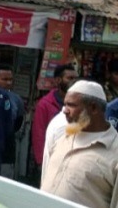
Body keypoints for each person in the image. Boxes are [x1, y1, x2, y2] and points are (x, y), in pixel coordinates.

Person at [41, 80, 118, 208]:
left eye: (71, 105)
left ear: (93, 108)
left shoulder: (114, 151)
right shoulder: (63, 138)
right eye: (64, 104)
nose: (65, 110)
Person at [32, 64, 77, 168]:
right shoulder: (45, 104)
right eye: (70, 78)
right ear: (58, 80)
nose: (73, 82)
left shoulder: (78, 104)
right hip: (50, 158)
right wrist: (41, 161)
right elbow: (38, 134)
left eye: (75, 78)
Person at [0, 64, 26, 179]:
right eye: (4, 79)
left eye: (10, 80)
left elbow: (18, 122)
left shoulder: (16, 99)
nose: (8, 83)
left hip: (6, 148)